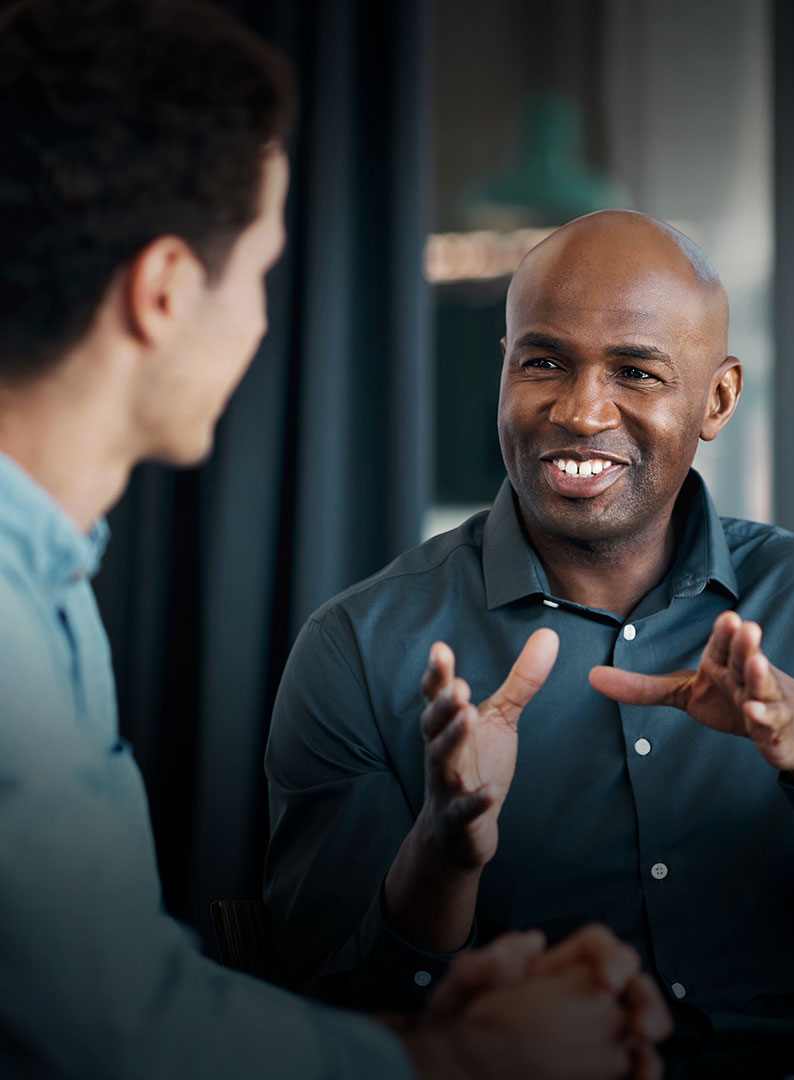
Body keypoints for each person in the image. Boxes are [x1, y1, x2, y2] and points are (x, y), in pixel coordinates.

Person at [0, 1, 671, 1077]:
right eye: (260, 270)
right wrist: (461, 1062)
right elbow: (105, 1043)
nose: (264, 321)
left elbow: (120, 990)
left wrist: (423, 1034)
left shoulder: (51, 587)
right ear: (165, 292)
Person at [264, 209, 794, 1077]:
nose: (581, 410)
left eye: (635, 371)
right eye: (544, 362)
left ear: (719, 399)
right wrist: (440, 854)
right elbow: (331, 1026)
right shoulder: (360, 647)